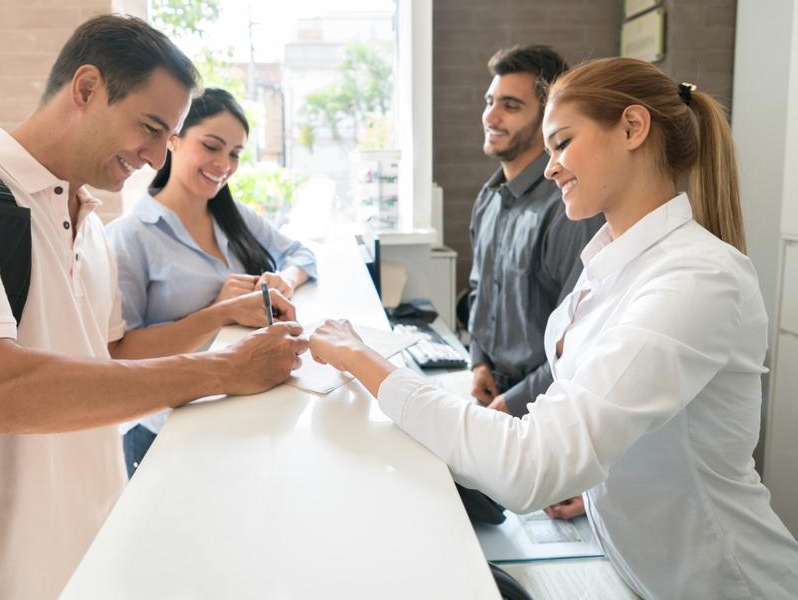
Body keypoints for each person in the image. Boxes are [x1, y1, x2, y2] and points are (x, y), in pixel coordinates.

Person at [308, 57, 798, 599]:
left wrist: (365, 362)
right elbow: (609, 414)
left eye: (562, 143)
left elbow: (530, 463)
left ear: (633, 128)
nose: (550, 168)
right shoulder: (612, 262)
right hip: (644, 573)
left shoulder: (698, 279)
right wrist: (596, 488)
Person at [0, 15, 308, 600]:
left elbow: (112, 356)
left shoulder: (92, 225)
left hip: (98, 551)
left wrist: (220, 323)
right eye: (148, 129)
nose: (152, 158)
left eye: (166, 139)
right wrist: (225, 371)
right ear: (87, 87)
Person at [106, 87, 317, 476]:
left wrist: (283, 279)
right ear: (173, 140)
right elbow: (122, 354)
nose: (224, 164)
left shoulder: (230, 214)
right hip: (166, 427)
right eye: (212, 146)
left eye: (235, 153)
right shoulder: (130, 236)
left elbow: (302, 255)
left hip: (238, 408)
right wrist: (219, 312)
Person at [469, 44, 604, 417]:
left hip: (544, 405)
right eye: (489, 101)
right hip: (491, 392)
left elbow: (576, 336)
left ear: (549, 118)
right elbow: (480, 289)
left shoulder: (570, 209)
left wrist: (513, 403)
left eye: (510, 106)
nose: (491, 116)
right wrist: (478, 361)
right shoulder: (489, 197)